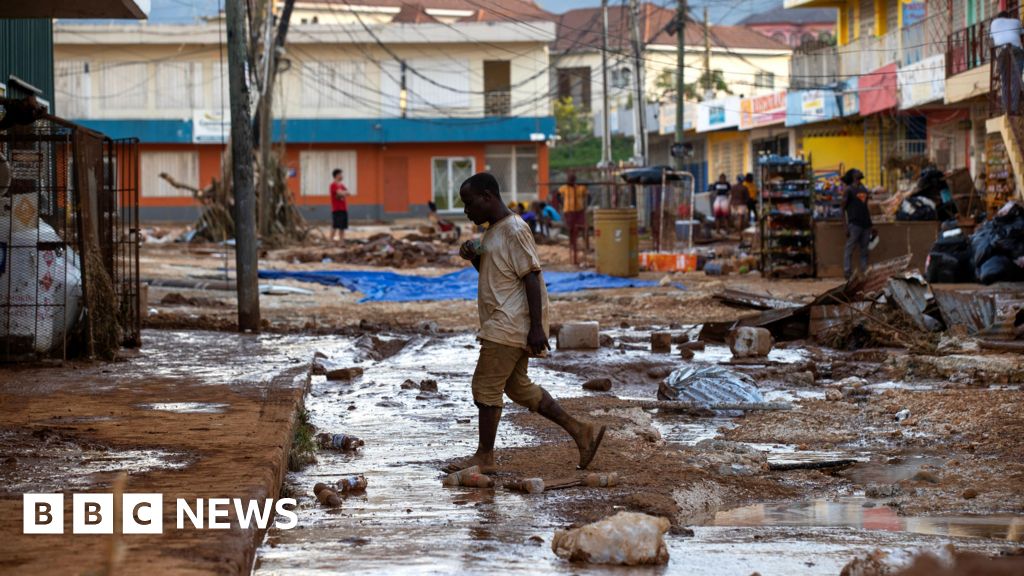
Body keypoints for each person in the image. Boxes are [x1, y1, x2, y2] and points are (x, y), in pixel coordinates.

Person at [450, 172, 606, 473]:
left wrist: (537, 328)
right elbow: (498, 273)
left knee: (485, 387)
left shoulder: (515, 230)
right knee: (518, 387)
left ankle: (484, 456)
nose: (466, 211)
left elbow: (531, 276)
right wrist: (473, 258)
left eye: (469, 203)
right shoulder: (494, 230)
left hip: (508, 324)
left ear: (487, 196)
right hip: (506, 321)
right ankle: (581, 432)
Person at [841, 168, 872, 280]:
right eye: (857, 171)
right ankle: (847, 272)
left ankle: (864, 272)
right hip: (854, 224)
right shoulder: (848, 190)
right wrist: (845, 226)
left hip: (865, 224)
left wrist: (871, 224)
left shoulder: (863, 189)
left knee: (864, 250)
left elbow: (866, 207)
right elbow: (842, 209)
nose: (860, 171)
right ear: (853, 176)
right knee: (849, 249)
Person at [992, 11, 1024, 113]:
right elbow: (1022, 35)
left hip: (1001, 51)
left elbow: (991, 40)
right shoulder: (1016, 22)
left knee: (1005, 80)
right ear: (1008, 17)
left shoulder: (993, 23)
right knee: (1016, 79)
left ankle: (1007, 109)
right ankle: (1015, 108)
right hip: (1016, 49)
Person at [558, 174, 589, 266]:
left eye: (571, 180)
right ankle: (572, 246)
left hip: (579, 211)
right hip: (569, 211)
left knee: (583, 227)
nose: (569, 181)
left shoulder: (580, 188)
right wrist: (562, 203)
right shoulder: (564, 188)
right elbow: (557, 195)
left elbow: (588, 195)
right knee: (571, 229)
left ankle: (585, 246)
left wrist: (586, 205)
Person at [329, 168, 354, 243]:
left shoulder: (341, 185)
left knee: (342, 227)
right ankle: (330, 241)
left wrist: (342, 193)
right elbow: (340, 193)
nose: (342, 176)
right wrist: (342, 193)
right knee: (335, 225)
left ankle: (341, 241)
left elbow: (348, 193)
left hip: (343, 208)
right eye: (340, 174)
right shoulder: (333, 185)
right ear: (336, 175)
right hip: (337, 208)